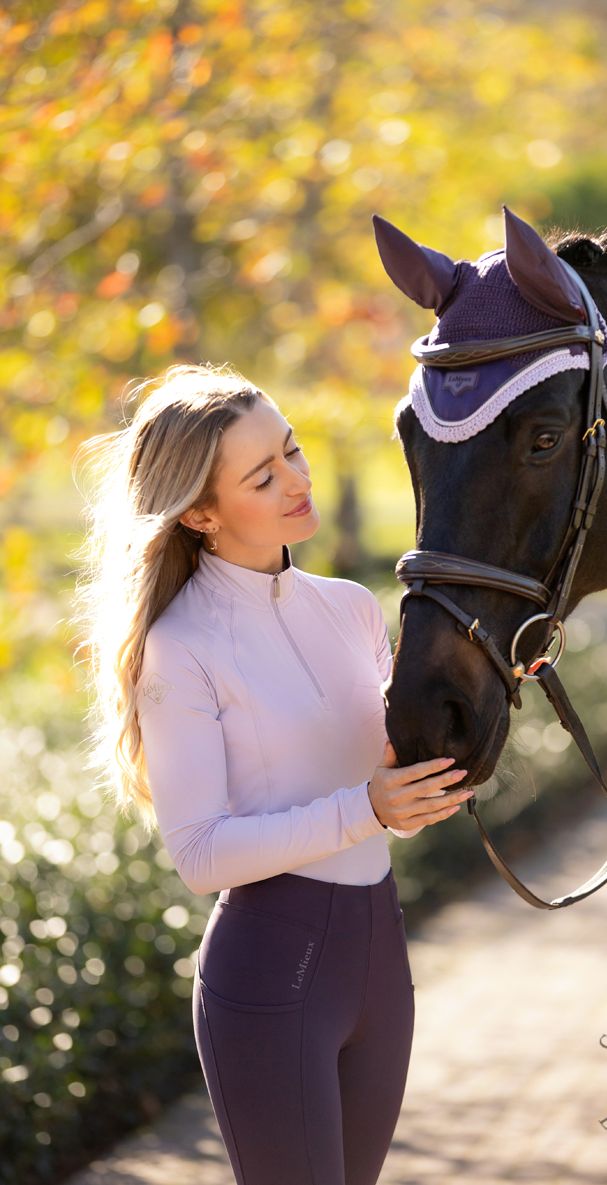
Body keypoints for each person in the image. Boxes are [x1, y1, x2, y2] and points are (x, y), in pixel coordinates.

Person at [79, 363, 474, 1185]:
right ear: (200, 513)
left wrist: (449, 744)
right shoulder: (180, 648)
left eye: (292, 450)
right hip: (271, 976)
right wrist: (367, 809)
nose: (297, 480)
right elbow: (200, 854)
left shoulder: (353, 608)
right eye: (262, 476)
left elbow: (382, 779)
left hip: (380, 962)